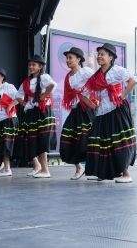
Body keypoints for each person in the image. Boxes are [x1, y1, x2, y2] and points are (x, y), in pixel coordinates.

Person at [84, 43, 137, 182]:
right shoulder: (95, 77)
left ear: (111, 57)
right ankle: (103, 172)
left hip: (117, 108)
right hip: (102, 111)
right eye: (98, 54)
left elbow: (133, 80)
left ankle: (126, 174)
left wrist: (123, 95)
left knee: (117, 140)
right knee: (100, 141)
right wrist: (94, 106)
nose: (99, 57)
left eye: (103, 54)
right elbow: (83, 94)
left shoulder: (117, 70)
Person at [16, 54, 57, 178]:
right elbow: (18, 95)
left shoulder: (44, 77)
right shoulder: (26, 82)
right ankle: (36, 165)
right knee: (30, 139)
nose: (31, 67)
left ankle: (45, 170)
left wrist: (43, 97)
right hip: (32, 112)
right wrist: (23, 103)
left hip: (43, 111)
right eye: (30, 65)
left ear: (40, 67)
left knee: (41, 140)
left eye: (34, 65)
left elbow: (52, 85)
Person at [60, 47, 96, 180]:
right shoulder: (68, 77)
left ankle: (93, 168)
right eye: (67, 58)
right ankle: (79, 167)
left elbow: (97, 83)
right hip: (75, 111)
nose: (68, 60)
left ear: (78, 59)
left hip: (86, 109)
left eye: (71, 58)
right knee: (69, 138)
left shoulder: (85, 72)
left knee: (89, 140)